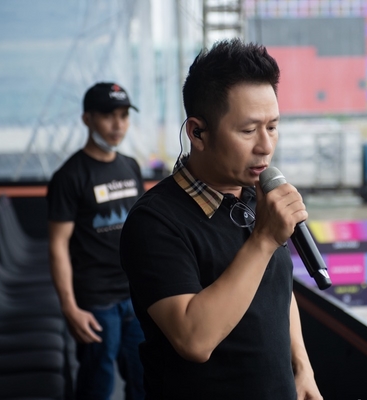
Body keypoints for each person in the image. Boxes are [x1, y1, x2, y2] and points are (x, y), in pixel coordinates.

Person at [120, 39, 322, 399]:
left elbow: (277, 290)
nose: (265, 146)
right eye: (248, 130)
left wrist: (302, 366)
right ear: (197, 132)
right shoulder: (154, 222)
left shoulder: (257, 197)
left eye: (272, 127)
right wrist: (263, 240)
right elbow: (194, 340)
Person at [47, 82, 146, 400]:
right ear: (87, 119)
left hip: (136, 297)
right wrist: (69, 307)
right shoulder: (69, 176)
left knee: (146, 382)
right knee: (97, 388)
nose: (118, 125)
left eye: (124, 116)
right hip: (95, 302)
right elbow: (58, 246)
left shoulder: (130, 166)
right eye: (108, 116)